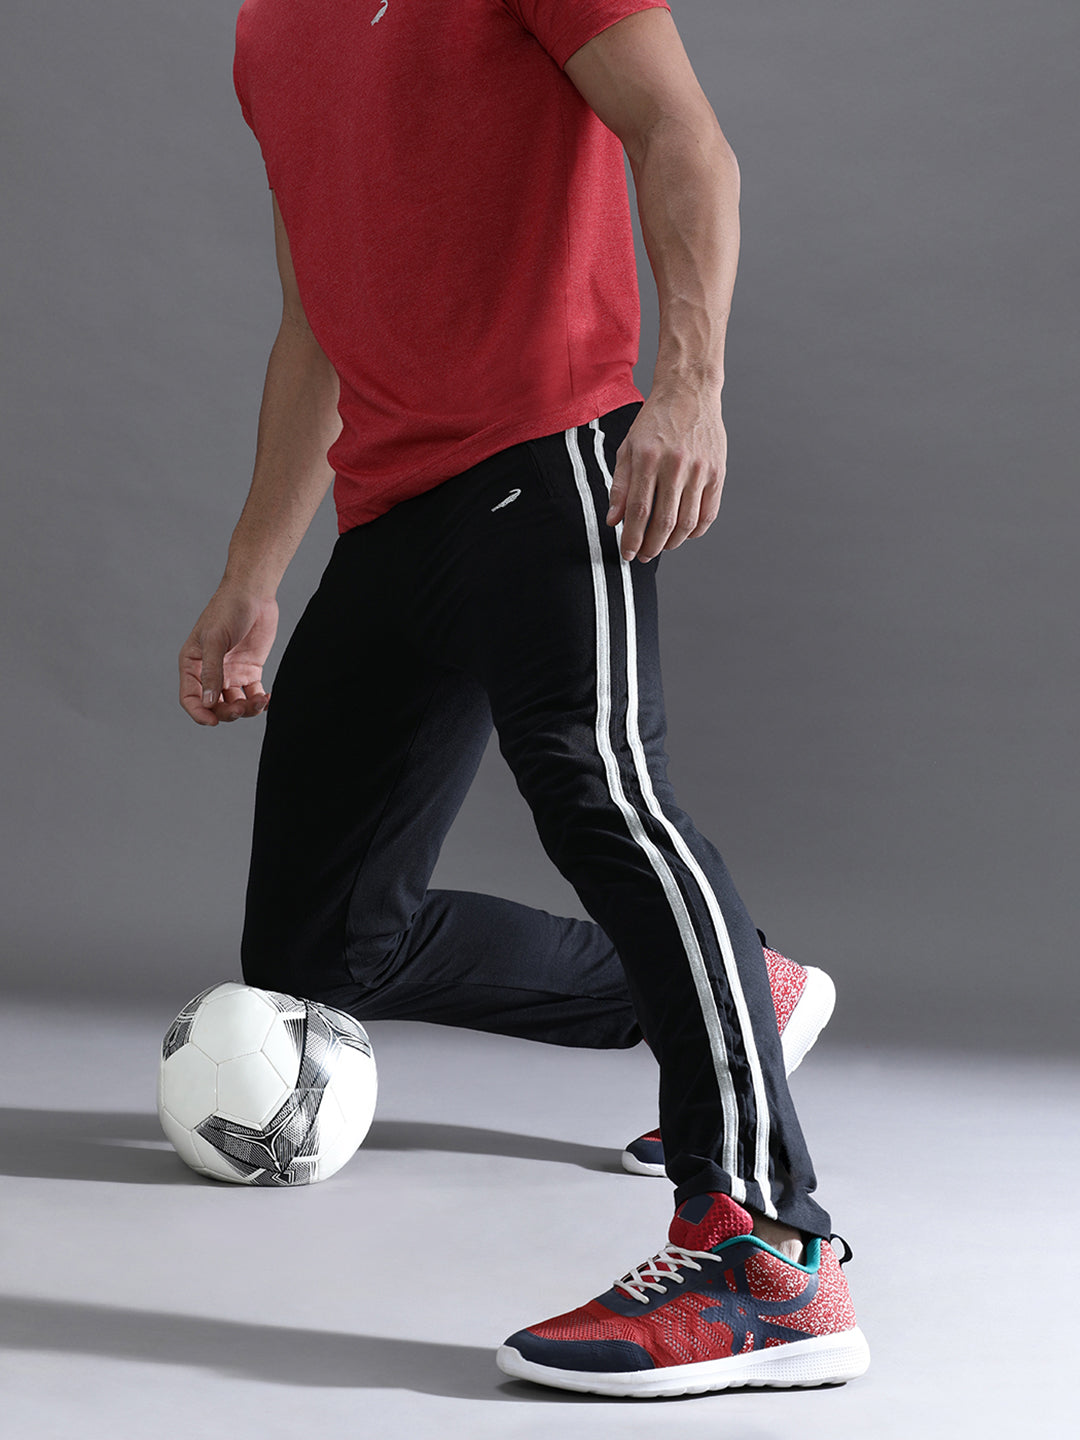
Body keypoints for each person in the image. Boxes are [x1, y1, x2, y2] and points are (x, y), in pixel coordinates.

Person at [178, 0, 869, 1397]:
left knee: (602, 790)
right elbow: (318, 311)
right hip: (392, 512)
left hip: (548, 451)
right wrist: (255, 573)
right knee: (322, 948)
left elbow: (687, 140)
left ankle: (769, 1256)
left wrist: (687, 387)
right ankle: (743, 984)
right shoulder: (269, 31)